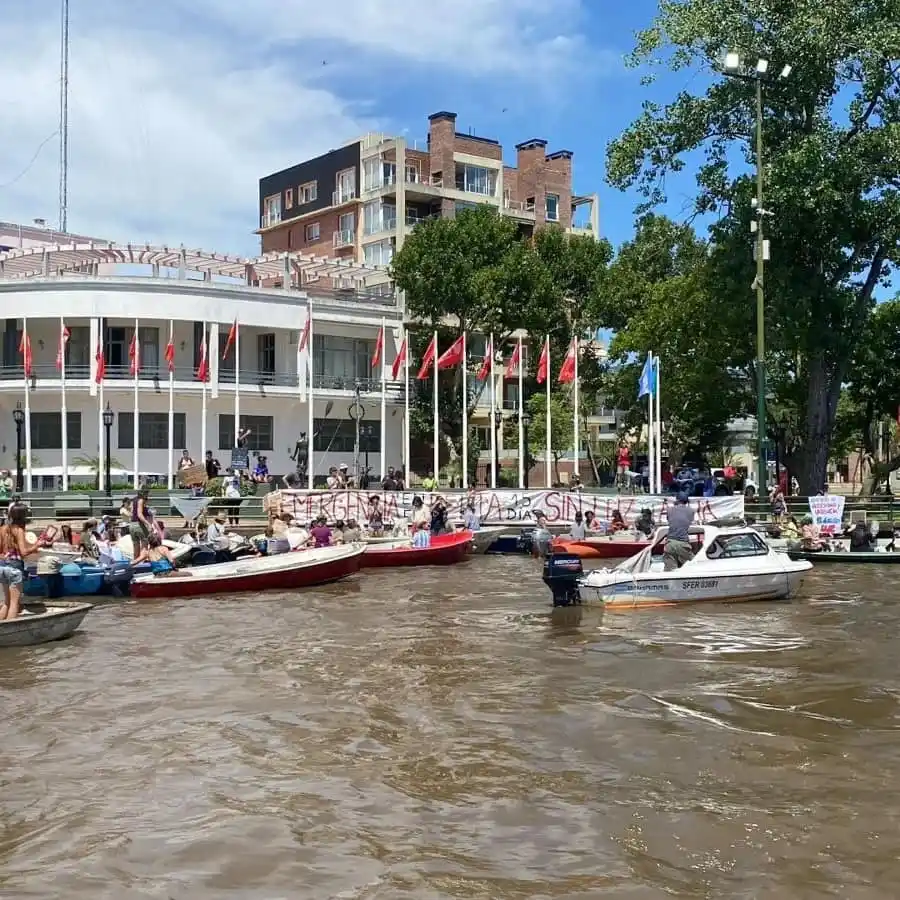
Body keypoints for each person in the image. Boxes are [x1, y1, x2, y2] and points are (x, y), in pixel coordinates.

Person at [0, 506, 49, 620]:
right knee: (14, 604)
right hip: (14, 568)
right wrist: (37, 545)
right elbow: (23, 552)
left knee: (6, 602)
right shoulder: (19, 530)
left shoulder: (2, 529)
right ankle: (10, 630)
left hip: (2, 566)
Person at [663, 492, 695, 570]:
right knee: (694, 567)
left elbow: (670, 519)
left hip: (670, 543)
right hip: (683, 544)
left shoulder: (670, 510)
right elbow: (688, 521)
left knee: (670, 571)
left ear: (677, 500)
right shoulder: (691, 511)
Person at [129, 486, 154, 554]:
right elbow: (139, 514)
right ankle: (142, 562)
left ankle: (135, 562)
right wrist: (148, 524)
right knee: (145, 542)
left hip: (132, 525)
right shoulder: (141, 500)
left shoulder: (133, 500)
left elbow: (131, 512)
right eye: (147, 492)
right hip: (139, 525)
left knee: (135, 545)